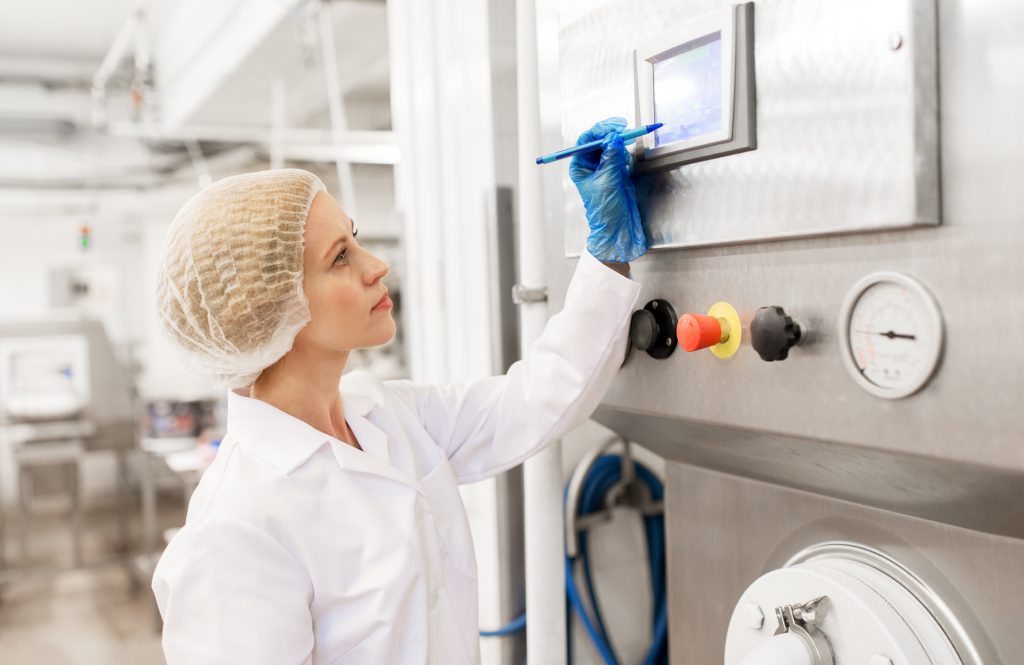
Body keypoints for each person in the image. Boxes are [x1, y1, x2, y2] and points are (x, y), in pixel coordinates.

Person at [151, 117, 646, 664]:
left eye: (355, 239)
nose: (377, 265)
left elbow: (536, 400)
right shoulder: (235, 530)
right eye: (340, 257)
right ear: (269, 308)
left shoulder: (382, 413)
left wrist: (607, 249)